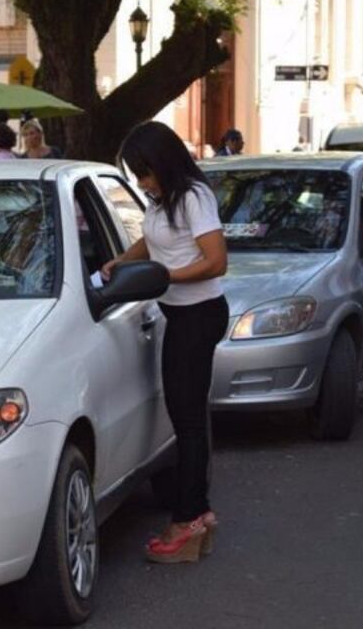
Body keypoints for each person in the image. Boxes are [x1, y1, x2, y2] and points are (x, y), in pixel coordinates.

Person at [101, 121, 228, 563]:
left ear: (163, 162)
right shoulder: (164, 200)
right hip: (181, 314)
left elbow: (216, 261)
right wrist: (122, 261)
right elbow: (152, 241)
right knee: (186, 417)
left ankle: (187, 519)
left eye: (144, 172)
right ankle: (199, 513)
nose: (141, 182)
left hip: (199, 315)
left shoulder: (194, 196)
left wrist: (165, 276)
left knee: (187, 421)